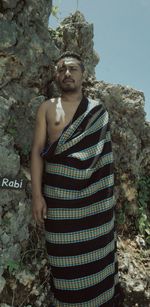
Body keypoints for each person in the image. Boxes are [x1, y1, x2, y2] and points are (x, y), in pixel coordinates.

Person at [31, 51, 120, 306]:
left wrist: (105, 202)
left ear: (83, 74)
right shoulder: (47, 108)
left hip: (94, 208)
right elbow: (37, 152)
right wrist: (37, 196)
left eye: (73, 69)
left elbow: (104, 163)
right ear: (56, 75)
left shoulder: (98, 112)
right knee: (64, 266)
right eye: (61, 69)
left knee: (96, 262)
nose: (67, 73)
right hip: (58, 204)